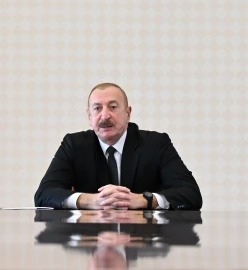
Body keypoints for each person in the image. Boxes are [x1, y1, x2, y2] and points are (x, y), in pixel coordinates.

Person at [35, 83, 201, 210]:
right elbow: (44, 194)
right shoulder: (74, 144)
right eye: (97, 108)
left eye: (113, 107)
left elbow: (190, 193)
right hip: (90, 236)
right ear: (89, 116)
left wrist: (143, 200)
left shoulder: (156, 144)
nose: (105, 115)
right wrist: (91, 201)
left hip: (144, 238)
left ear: (128, 113)